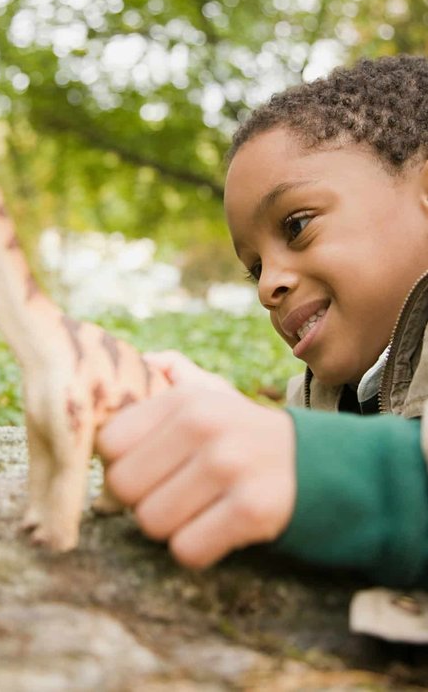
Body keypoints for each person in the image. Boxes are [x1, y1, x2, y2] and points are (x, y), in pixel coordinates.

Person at [98, 56, 428, 631]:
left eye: (297, 225)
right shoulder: (328, 393)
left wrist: (337, 473)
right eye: (254, 269)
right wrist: (238, 439)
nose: (269, 285)